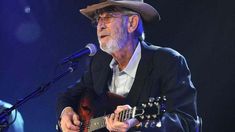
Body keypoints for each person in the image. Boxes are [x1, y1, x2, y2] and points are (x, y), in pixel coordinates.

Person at [56, 0, 199, 131]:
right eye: (98, 19)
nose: (100, 25)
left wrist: (138, 123)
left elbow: (187, 123)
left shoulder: (168, 61)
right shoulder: (100, 62)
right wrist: (66, 112)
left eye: (108, 16)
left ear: (132, 23)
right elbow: (68, 96)